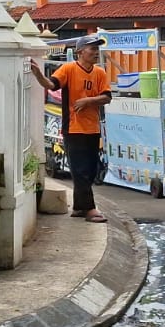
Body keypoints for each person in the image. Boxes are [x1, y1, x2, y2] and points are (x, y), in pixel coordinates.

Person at [30, 39, 111, 223]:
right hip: (73, 128)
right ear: (80, 51)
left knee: (91, 170)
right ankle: (89, 209)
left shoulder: (99, 72)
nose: (96, 52)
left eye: (97, 49)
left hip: (92, 127)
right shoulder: (68, 69)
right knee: (80, 170)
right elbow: (51, 85)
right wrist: (38, 75)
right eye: (92, 48)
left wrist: (87, 101)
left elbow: (107, 97)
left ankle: (78, 207)